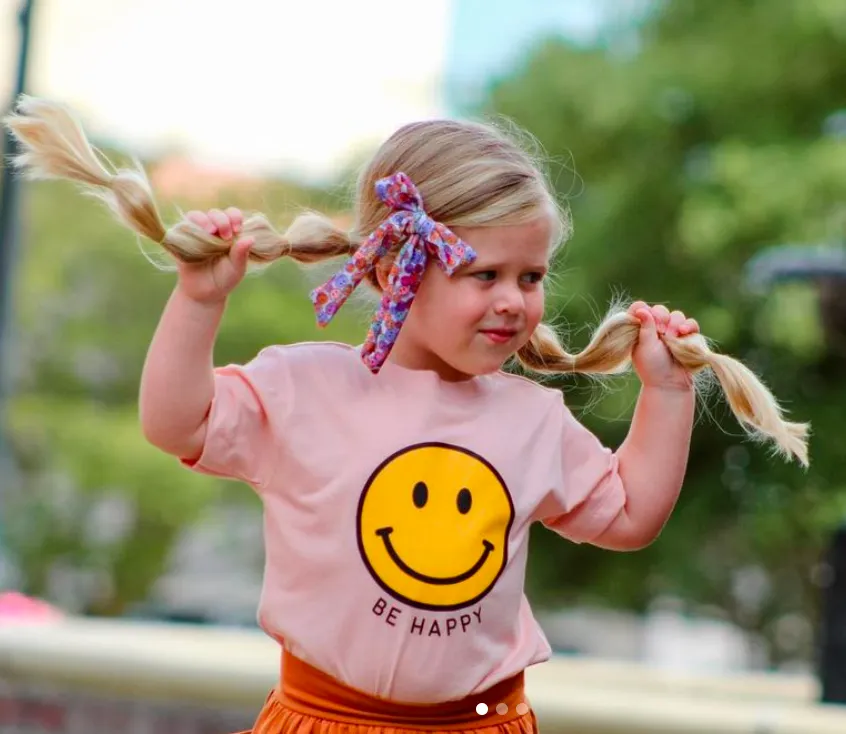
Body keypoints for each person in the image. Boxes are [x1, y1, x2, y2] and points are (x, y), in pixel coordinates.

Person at [5, 96, 809, 733]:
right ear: (396, 269)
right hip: (321, 723)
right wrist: (197, 301)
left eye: (530, 278)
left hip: (484, 727)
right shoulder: (307, 389)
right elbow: (175, 423)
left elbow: (629, 515)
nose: (513, 302)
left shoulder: (529, 416)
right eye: (484, 273)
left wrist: (666, 394)